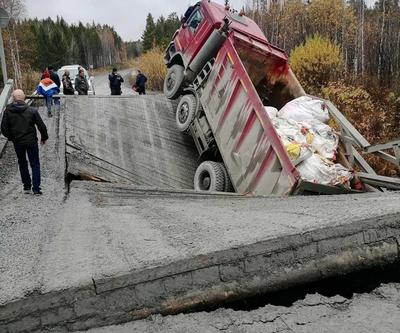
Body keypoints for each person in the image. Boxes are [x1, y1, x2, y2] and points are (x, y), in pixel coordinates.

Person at [1, 89, 48, 195]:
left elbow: (3, 128)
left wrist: (11, 138)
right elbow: (42, 127)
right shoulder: (32, 111)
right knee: (35, 164)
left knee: (22, 163)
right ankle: (36, 189)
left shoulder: (7, 111)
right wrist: (44, 138)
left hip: (18, 142)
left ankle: (26, 186)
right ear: (24, 98)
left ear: (13, 98)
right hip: (31, 141)